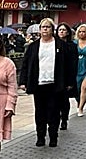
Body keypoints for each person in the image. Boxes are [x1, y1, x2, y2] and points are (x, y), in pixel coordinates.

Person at [20, 19, 69, 147]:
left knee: (54, 111)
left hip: (55, 83)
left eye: (48, 27)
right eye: (43, 27)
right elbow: (26, 64)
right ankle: (40, 136)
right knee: (40, 112)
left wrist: (69, 82)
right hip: (38, 83)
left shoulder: (60, 45)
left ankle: (53, 136)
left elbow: (68, 65)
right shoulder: (33, 46)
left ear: (52, 29)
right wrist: (23, 81)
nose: (45, 29)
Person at [55, 23, 80, 131]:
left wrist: (71, 81)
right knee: (55, 100)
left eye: (64, 30)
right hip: (55, 75)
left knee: (64, 99)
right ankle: (55, 118)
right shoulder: (54, 44)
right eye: (59, 30)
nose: (61, 32)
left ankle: (64, 119)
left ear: (68, 32)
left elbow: (74, 63)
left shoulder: (72, 46)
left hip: (67, 75)